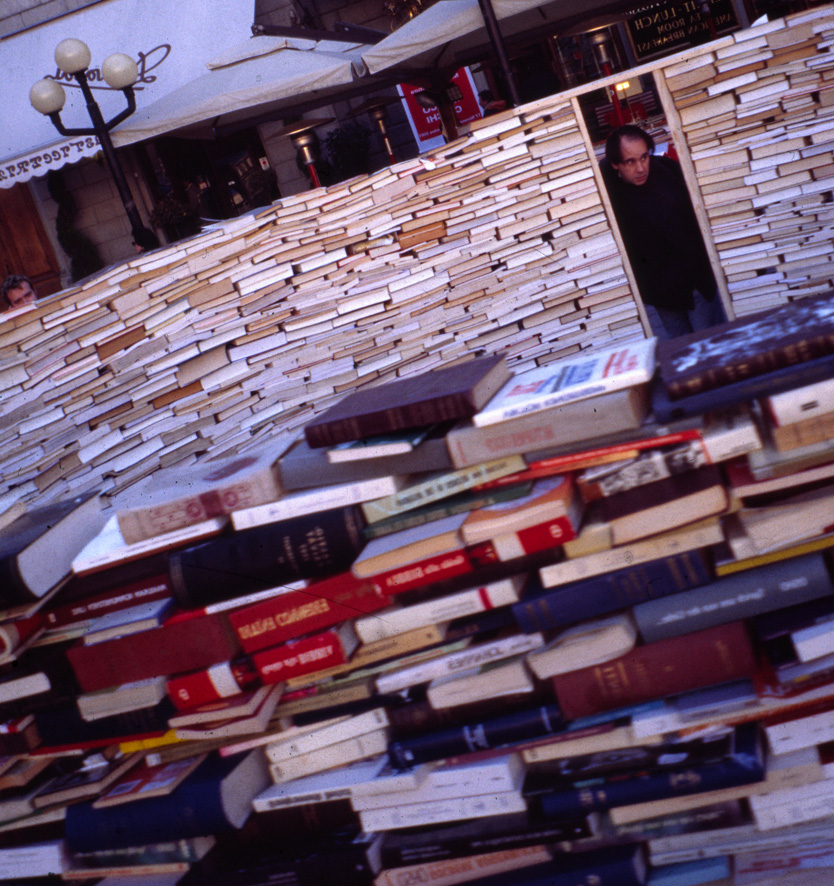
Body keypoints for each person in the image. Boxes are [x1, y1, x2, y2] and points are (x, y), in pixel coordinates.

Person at [600, 124, 727, 340]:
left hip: (695, 284)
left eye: (644, 157)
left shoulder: (668, 173)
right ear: (615, 164)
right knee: (681, 349)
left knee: (711, 343)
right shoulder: (610, 189)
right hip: (660, 292)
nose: (641, 168)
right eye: (630, 161)